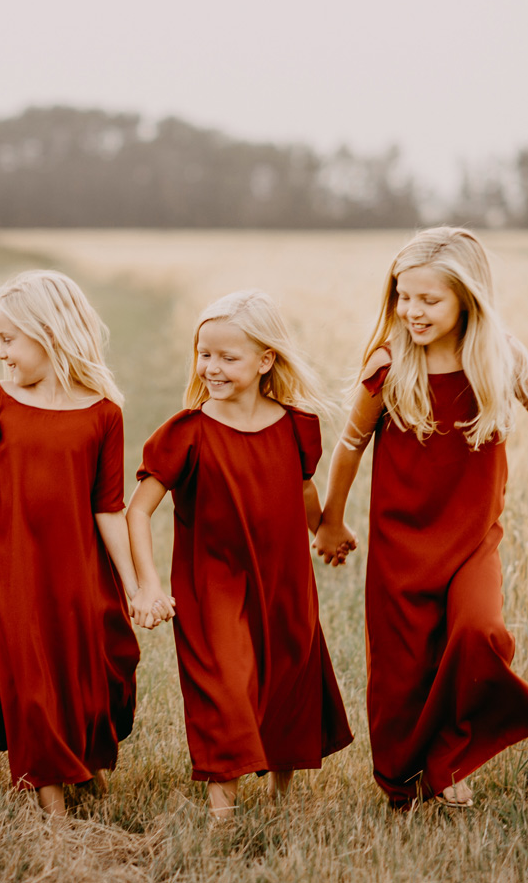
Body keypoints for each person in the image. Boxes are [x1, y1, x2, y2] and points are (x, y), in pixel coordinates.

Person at [315, 226, 528, 809]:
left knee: (480, 633)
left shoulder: (500, 357)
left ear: (468, 297)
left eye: (428, 299)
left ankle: (451, 759)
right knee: (403, 669)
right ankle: (404, 781)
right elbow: (349, 444)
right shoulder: (388, 363)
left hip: (471, 539)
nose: (411, 310)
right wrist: (332, 521)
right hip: (400, 541)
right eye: (402, 296)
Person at [0, 270, 152, 816]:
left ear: (50, 332)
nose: (0, 353)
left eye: (7, 339)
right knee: (32, 678)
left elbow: (108, 507)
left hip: (83, 574)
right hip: (18, 571)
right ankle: (51, 802)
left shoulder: (103, 412)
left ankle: (85, 761)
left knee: (103, 672)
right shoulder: (0, 401)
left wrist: (135, 584)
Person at [127, 289, 353, 817]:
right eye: (205, 354)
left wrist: (325, 530)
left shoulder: (296, 426)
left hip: (285, 580)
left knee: (287, 680)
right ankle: (221, 812)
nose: (212, 367)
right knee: (225, 686)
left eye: (228, 357)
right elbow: (137, 511)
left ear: (265, 360)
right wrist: (149, 583)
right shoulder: (187, 432)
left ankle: (281, 796)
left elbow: (302, 492)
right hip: (213, 584)